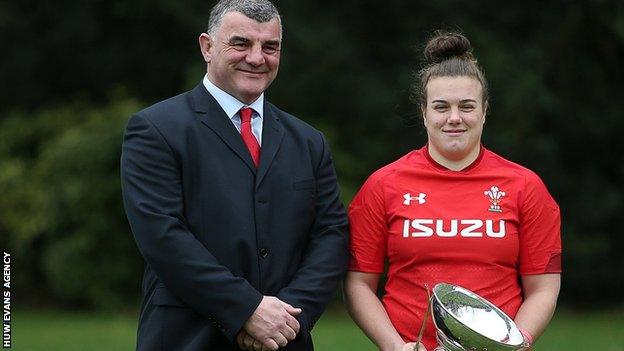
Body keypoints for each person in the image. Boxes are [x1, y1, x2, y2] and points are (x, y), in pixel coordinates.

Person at [120, 1, 349, 350]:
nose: (257, 58)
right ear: (207, 47)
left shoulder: (308, 141)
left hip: (285, 339)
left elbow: (331, 235)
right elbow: (162, 236)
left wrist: (292, 319)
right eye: (241, 43)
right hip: (187, 338)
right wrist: (246, 310)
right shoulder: (156, 129)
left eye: (270, 47)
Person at [343, 31, 561, 351]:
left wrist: (515, 344)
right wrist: (394, 346)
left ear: (485, 111)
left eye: (467, 106)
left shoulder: (525, 186)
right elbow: (358, 284)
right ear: (424, 112)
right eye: (441, 106)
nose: (454, 118)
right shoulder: (383, 185)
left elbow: (543, 288)